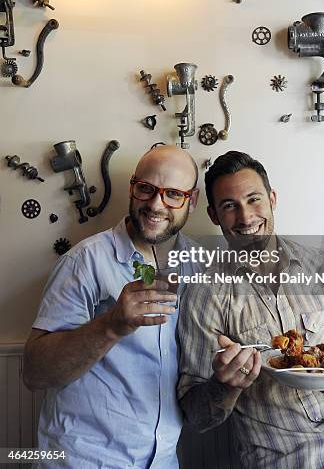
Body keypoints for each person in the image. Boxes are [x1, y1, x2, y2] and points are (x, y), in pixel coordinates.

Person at [177, 151, 324, 469]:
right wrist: (225, 385)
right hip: (288, 459)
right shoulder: (206, 293)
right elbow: (196, 415)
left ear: (272, 198)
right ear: (214, 216)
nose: (245, 218)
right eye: (229, 206)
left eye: (254, 199)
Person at [23, 144, 199, 469]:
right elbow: (35, 373)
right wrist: (111, 326)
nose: (156, 204)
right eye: (146, 189)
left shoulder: (199, 267)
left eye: (173, 193)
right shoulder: (84, 261)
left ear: (193, 200)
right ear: (132, 188)